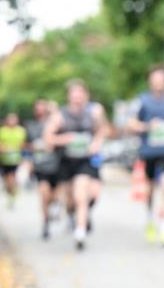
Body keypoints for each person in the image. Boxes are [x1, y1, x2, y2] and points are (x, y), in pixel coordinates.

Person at [44, 80, 107, 251]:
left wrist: (96, 143)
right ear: (69, 96)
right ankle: (75, 216)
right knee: (71, 201)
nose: (77, 98)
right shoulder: (60, 116)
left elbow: (102, 131)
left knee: (83, 195)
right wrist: (64, 139)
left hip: (84, 162)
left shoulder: (93, 113)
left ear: (86, 95)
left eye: (81, 94)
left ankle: (80, 232)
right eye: (74, 94)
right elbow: (48, 138)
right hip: (66, 162)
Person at [129, 65, 164, 245]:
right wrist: (147, 126)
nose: (158, 82)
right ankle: (150, 216)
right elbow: (130, 123)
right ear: (150, 81)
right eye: (155, 79)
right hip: (148, 152)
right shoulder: (142, 100)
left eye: (161, 79)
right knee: (151, 190)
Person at [26, 99, 61, 239]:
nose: (41, 110)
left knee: (55, 196)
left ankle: (55, 207)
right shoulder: (31, 126)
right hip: (41, 166)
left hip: (57, 165)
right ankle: (46, 223)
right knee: (44, 194)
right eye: (38, 108)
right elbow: (27, 145)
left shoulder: (56, 122)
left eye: (43, 108)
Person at [0, 113, 27, 208]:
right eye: (10, 119)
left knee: (12, 177)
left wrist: (17, 148)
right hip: (4, 160)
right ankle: (10, 192)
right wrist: (4, 148)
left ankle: (13, 194)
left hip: (16, 159)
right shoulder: (2, 131)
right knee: (6, 180)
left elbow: (24, 144)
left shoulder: (21, 131)